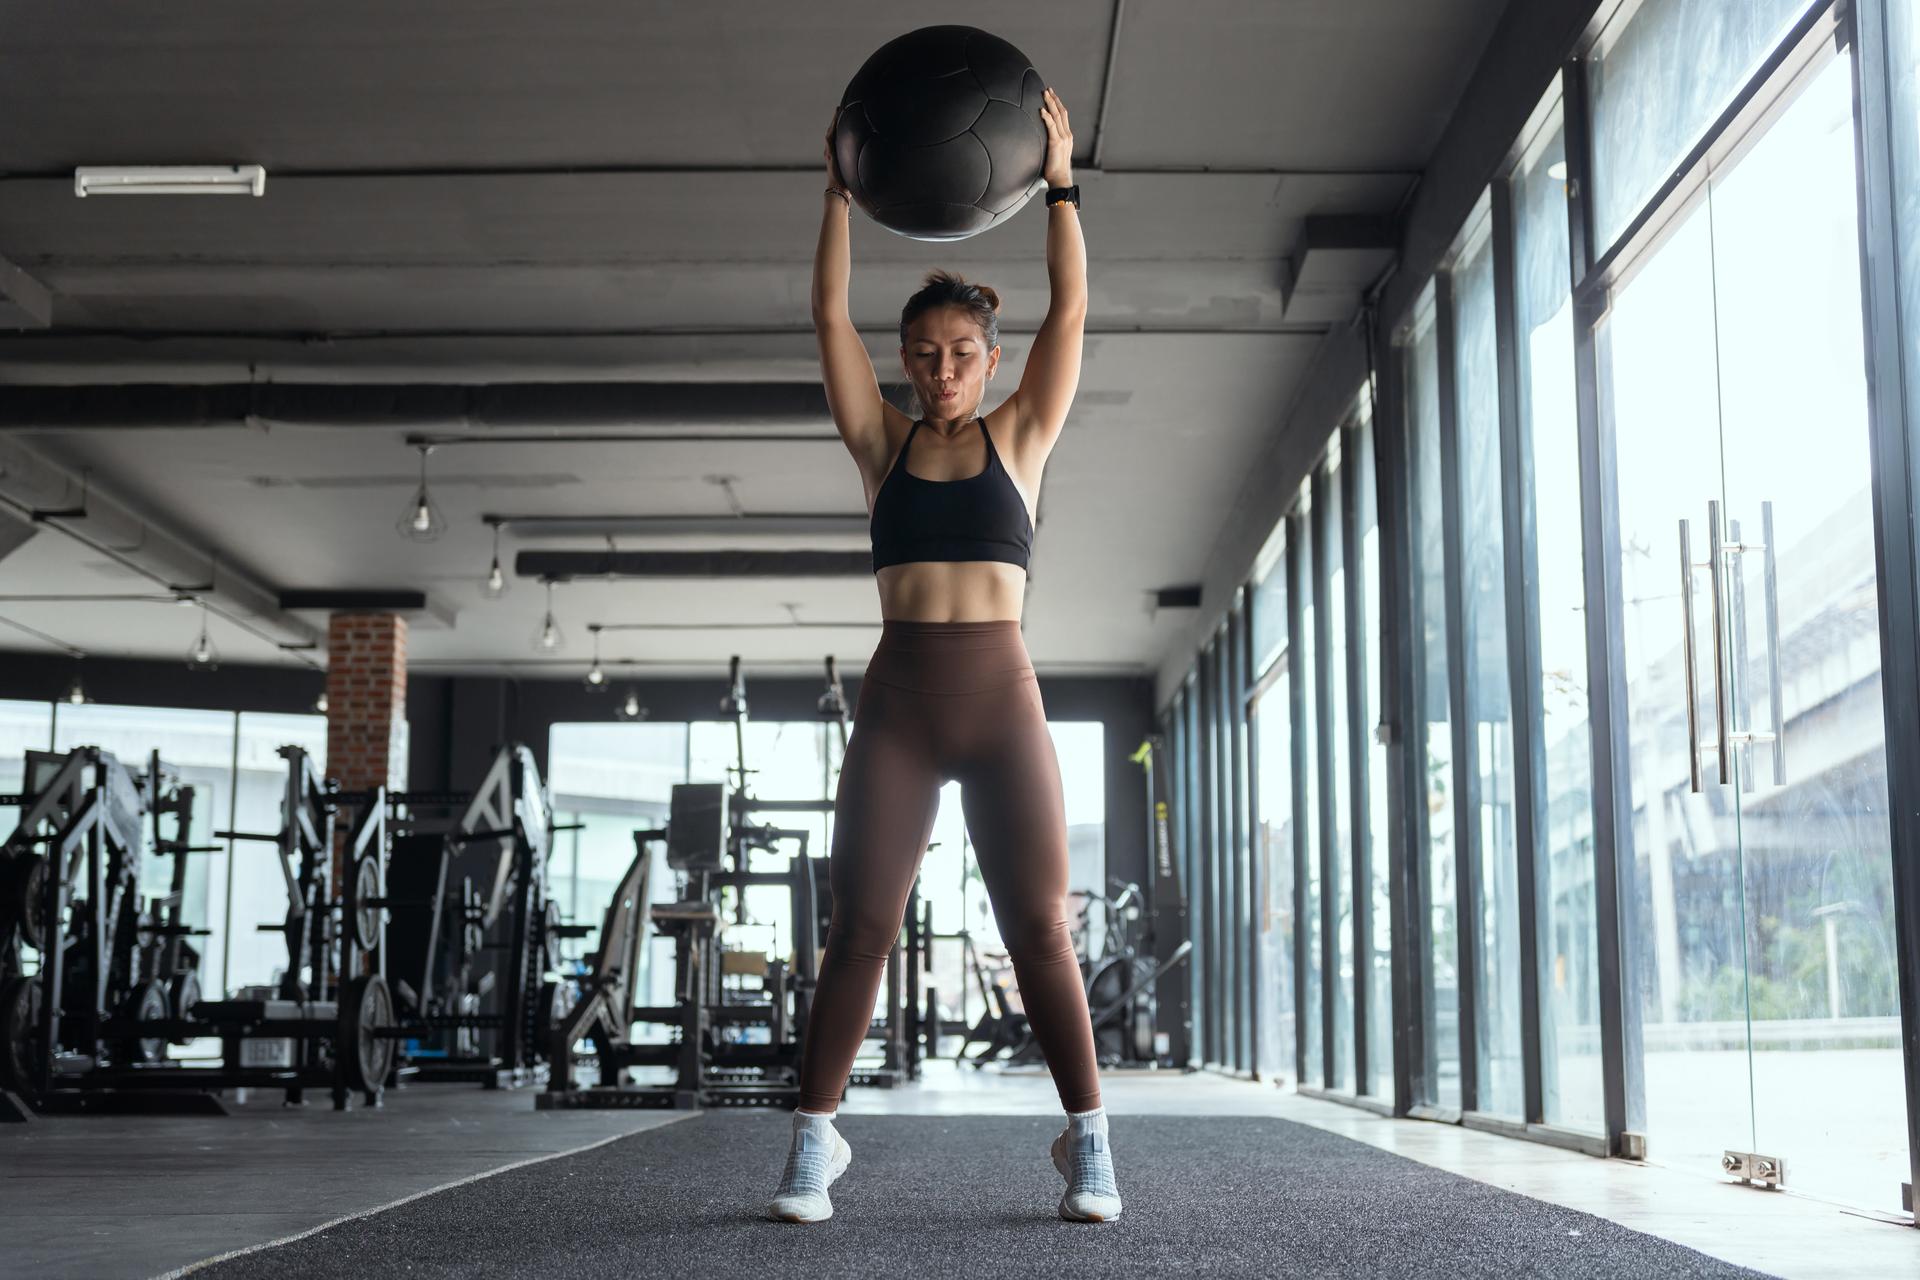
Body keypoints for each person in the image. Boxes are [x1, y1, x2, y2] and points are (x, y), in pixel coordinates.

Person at [768, 87, 1118, 1225]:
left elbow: (1072, 308)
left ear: (988, 354)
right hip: (902, 702)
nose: (943, 366)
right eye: (924, 351)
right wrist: (837, 192)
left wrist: (1061, 184)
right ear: (908, 362)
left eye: (962, 350)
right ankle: (814, 1144)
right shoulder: (881, 440)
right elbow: (826, 316)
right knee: (859, 919)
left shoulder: (1023, 433)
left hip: (1001, 700)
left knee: (1041, 928)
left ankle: (1091, 1143)